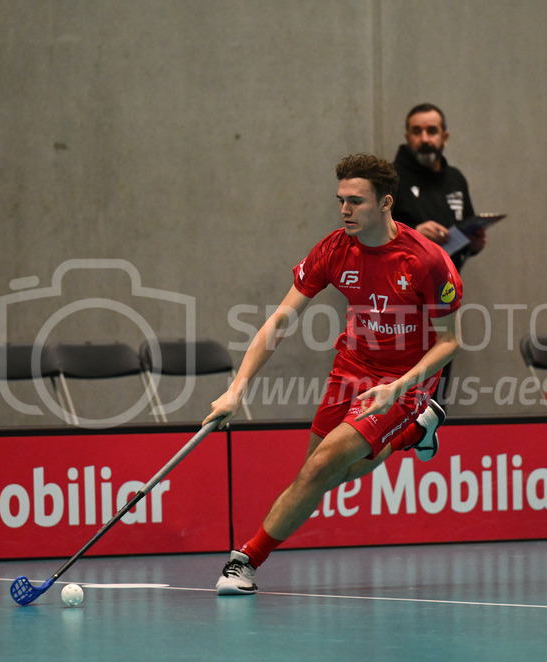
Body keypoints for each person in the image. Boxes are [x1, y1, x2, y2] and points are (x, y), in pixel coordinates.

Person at [204, 154, 462, 595]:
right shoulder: (333, 250)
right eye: (340, 200)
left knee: (320, 468)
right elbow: (279, 322)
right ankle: (413, 434)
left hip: (405, 378)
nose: (344, 210)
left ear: (385, 203)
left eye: (356, 202)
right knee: (324, 472)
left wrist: (398, 387)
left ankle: (245, 560)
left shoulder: (426, 261)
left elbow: (450, 341)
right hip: (352, 368)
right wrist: (236, 390)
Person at [392, 103, 485, 273]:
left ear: (445, 137)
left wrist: (474, 245)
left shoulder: (455, 178)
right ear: (407, 137)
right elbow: (369, 235)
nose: (425, 139)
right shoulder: (389, 178)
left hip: (446, 286)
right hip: (401, 287)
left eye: (432, 131)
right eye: (417, 131)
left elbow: (466, 230)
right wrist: (414, 233)